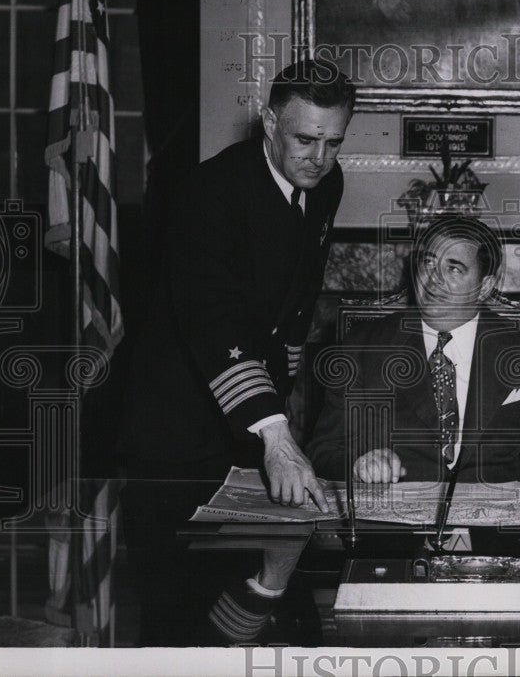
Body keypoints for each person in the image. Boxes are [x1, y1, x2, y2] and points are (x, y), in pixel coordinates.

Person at [116, 59, 354, 645]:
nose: (318, 158)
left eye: (332, 141)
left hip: (246, 420)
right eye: (304, 139)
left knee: (243, 601)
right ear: (269, 123)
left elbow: (299, 295)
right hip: (174, 419)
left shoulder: (327, 182)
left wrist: (283, 392)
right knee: (175, 610)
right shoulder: (206, 192)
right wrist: (275, 434)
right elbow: (214, 318)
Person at [307, 216, 520, 485]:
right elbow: (324, 452)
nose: (434, 280)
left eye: (454, 269)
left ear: (485, 287)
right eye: (429, 263)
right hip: (396, 514)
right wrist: (358, 465)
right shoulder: (362, 347)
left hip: (496, 516)